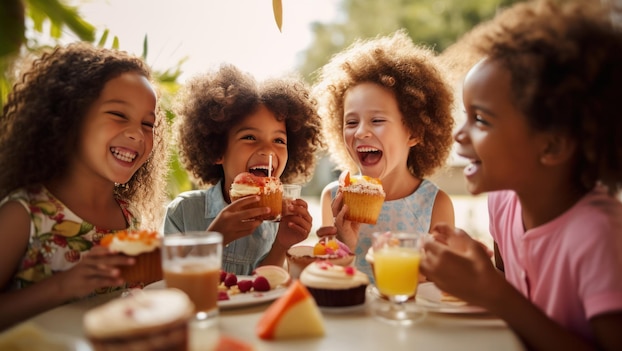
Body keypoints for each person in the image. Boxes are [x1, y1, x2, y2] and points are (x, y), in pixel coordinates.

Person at [420, 1, 622, 350]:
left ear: (552, 146)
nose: (459, 134)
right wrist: (476, 270)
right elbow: (516, 298)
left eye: (481, 120)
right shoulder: (504, 202)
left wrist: (494, 292)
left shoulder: (600, 235)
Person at [0, 42, 170, 330]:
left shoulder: (131, 218)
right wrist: (63, 285)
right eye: (118, 115)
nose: (137, 134)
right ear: (70, 118)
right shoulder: (25, 214)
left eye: (147, 123)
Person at [313, 29, 456, 281]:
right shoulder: (334, 198)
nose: (361, 132)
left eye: (377, 120)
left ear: (413, 132)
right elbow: (329, 281)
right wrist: (343, 243)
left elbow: (440, 288)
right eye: (351, 122)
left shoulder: (435, 204)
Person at [163, 64, 324, 275]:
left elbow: (262, 285)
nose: (268, 150)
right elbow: (168, 283)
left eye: (278, 140)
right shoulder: (183, 212)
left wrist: (282, 244)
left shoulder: (279, 222)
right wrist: (215, 239)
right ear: (218, 151)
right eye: (249, 137)